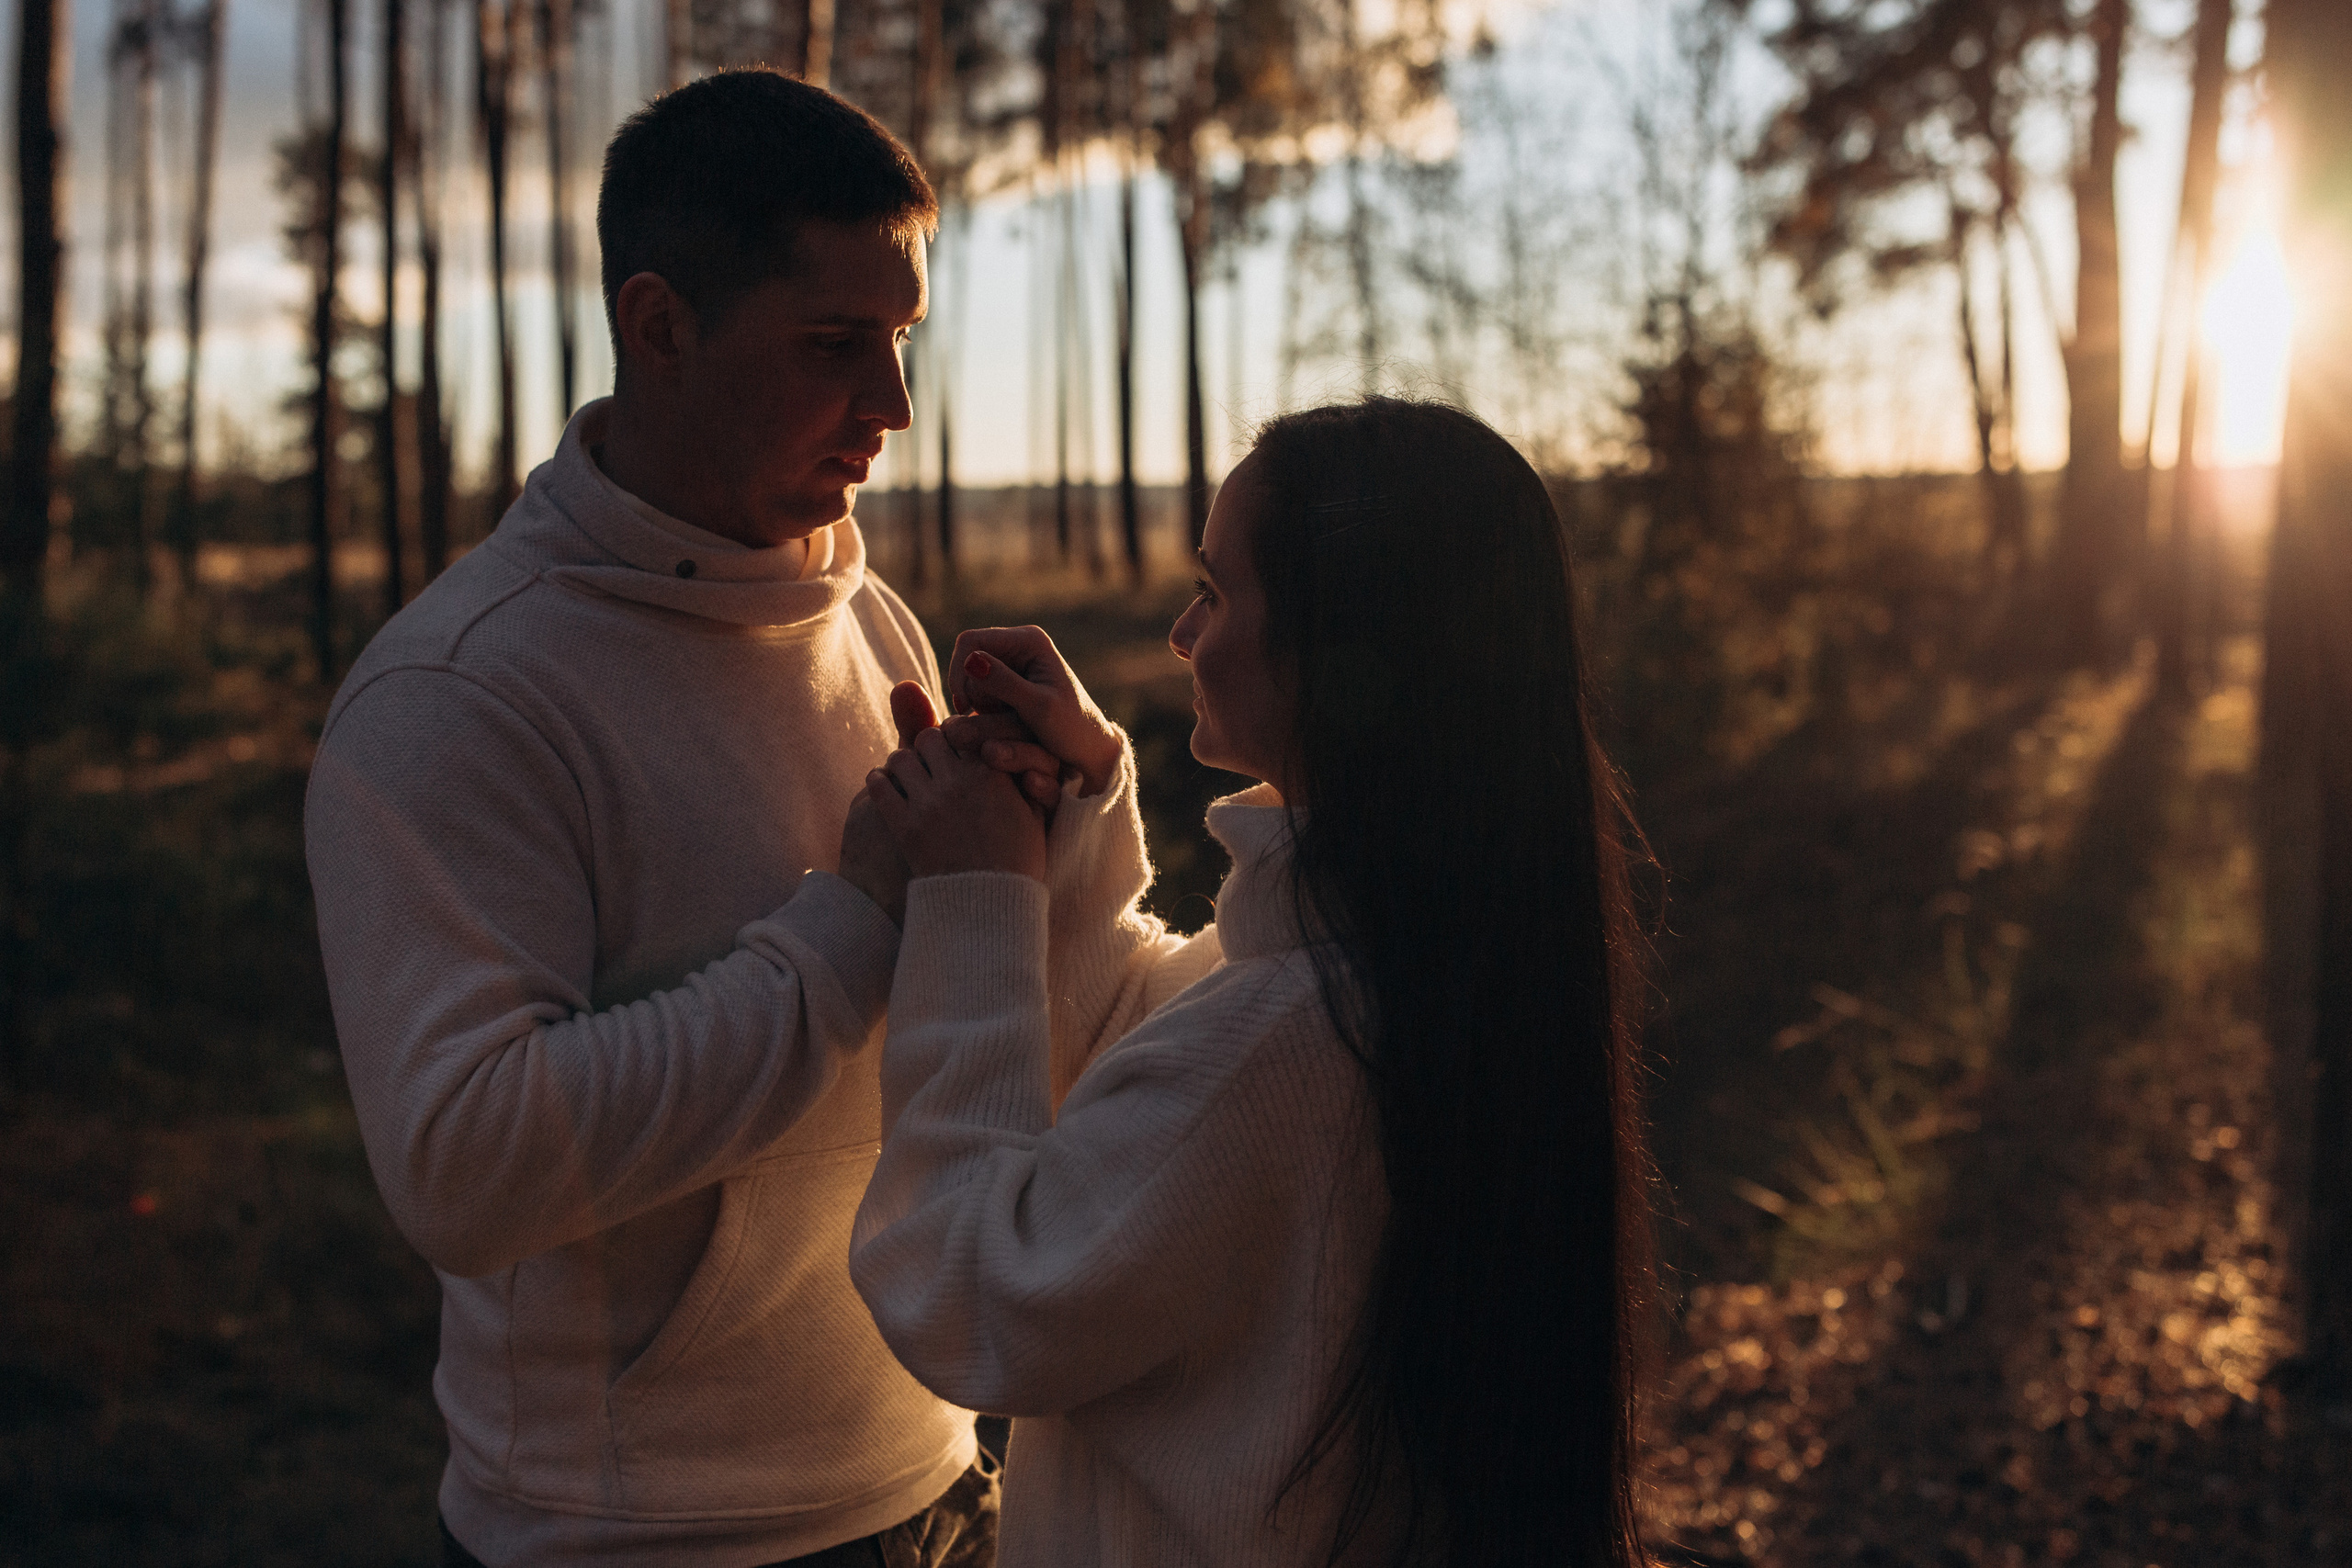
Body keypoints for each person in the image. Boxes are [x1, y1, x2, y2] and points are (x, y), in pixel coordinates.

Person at [306, 70, 1027, 1566]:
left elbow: (962, 1021)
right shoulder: (464, 692)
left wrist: (1045, 849)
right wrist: (853, 919)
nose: (891, 406)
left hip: (941, 1484)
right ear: (660, 325)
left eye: (900, 342)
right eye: (834, 345)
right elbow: (466, 1165)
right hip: (638, 1540)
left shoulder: (868, 615)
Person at [842, 397, 1657, 1566]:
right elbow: (1147, 1081)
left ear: (1341, 649)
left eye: (1216, 592)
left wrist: (977, 897)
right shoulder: (1415, 955)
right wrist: (1065, 816)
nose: (1181, 631)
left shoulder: (1297, 1032)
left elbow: (978, 1299)